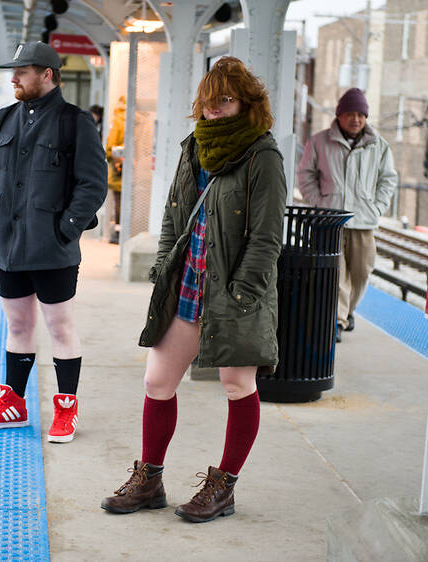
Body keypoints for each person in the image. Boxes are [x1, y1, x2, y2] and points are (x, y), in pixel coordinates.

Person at [100, 57, 287, 523]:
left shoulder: (262, 155)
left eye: (224, 100)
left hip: (235, 293)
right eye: (208, 102)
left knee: (236, 383)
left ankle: (223, 488)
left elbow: (267, 237)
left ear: (246, 102)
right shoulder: (193, 148)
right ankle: (150, 480)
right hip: (187, 284)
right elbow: (173, 215)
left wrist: (243, 292)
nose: (214, 111)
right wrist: (164, 264)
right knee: (157, 382)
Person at [0, 41, 107, 443]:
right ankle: (13, 404)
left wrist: (65, 229)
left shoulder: (74, 121)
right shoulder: (1, 120)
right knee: (18, 324)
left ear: (47, 74)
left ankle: (66, 409)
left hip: (52, 248)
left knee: (59, 326)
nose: (13, 78)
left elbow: (92, 184)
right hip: (8, 246)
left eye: (22, 71)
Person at [297, 87, 398, 343]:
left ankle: (348, 311)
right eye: (350, 114)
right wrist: (319, 203)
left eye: (361, 115)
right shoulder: (319, 141)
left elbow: (388, 179)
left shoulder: (379, 146)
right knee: (337, 273)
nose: (356, 119)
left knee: (362, 271)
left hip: (365, 220)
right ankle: (337, 321)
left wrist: (377, 206)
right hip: (331, 220)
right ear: (339, 115)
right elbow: (305, 175)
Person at [104, 96, 126, 244]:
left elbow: (110, 148)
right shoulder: (143, 120)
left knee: (118, 202)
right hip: (138, 172)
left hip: (119, 170)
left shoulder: (118, 121)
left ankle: (117, 234)